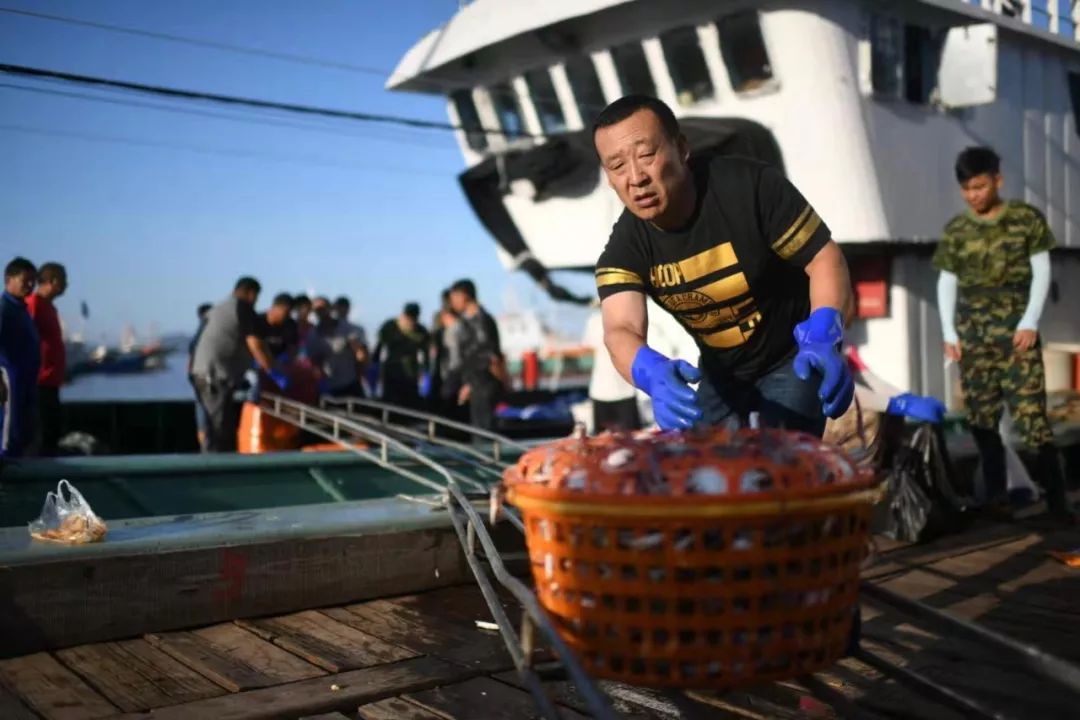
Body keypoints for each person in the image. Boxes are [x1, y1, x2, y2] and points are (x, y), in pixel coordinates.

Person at [592, 95, 854, 436]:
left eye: (646, 155)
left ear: (682, 148)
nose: (636, 177)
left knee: (779, 470)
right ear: (610, 179)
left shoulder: (750, 187)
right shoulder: (624, 248)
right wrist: (650, 373)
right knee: (705, 476)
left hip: (792, 355)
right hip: (721, 374)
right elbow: (620, 328)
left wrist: (822, 334)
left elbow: (824, 260)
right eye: (617, 166)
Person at [933, 146, 1075, 523]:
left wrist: (1029, 320)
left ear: (998, 180)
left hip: (1016, 337)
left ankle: (1059, 503)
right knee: (981, 420)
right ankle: (995, 499)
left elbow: (1041, 271)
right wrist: (950, 332)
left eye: (979, 186)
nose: (973, 195)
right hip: (974, 337)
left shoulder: (1025, 219)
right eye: (966, 188)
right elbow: (947, 282)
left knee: (1032, 421)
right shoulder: (957, 231)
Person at [190, 277, 284, 452]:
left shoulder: (219, 308)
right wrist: (273, 371)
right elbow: (255, 343)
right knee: (218, 431)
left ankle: (216, 466)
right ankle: (215, 472)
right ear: (251, 293)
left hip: (202, 373)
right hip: (214, 376)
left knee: (216, 427)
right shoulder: (241, 307)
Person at [448, 279, 504, 431]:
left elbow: (487, 356)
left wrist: (472, 383)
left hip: (483, 385)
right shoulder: (468, 321)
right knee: (479, 429)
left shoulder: (481, 321)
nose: (452, 302)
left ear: (464, 296)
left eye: (454, 297)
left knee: (484, 431)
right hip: (476, 384)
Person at [0, 257, 41, 458]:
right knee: (10, 433)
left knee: (24, 432)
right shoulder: (4, 309)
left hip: (27, 382)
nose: (30, 285)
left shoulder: (21, 310)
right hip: (11, 381)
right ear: (9, 280)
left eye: (33, 281)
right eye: (25, 281)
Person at [26, 262, 67, 455]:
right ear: (53, 281)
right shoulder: (33, 304)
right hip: (38, 383)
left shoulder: (50, 308)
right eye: (64, 280)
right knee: (41, 438)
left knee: (52, 435)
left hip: (51, 382)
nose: (66, 285)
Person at [582, 308, 640, 432]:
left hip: (624, 391)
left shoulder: (628, 319)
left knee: (631, 441)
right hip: (602, 392)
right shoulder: (595, 320)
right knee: (605, 442)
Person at [308, 296, 367, 397]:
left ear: (330, 308)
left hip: (351, 383)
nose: (321, 312)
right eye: (317, 310)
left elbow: (360, 354)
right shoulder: (313, 335)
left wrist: (360, 373)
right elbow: (314, 361)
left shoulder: (347, 328)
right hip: (329, 386)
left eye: (323, 308)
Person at [374, 302, 430, 409]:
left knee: (409, 402)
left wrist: (425, 371)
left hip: (411, 372)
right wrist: (374, 366)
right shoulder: (390, 326)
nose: (410, 321)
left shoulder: (421, 331)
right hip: (392, 369)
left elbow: (426, 352)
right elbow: (379, 346)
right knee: (390, 402)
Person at [188, 303, 213, 451]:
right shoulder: (206, 331)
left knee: (202, 411)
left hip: (198, 376)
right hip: (206, 377)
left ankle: (204, 445)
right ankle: (207, 446)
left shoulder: (199, 333)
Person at [258, 293, 299, 360]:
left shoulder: (291, 324)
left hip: (281, 363)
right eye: (286, 312)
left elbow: (292, 348)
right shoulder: (257, 321)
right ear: (275, 307)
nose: (288, 316)